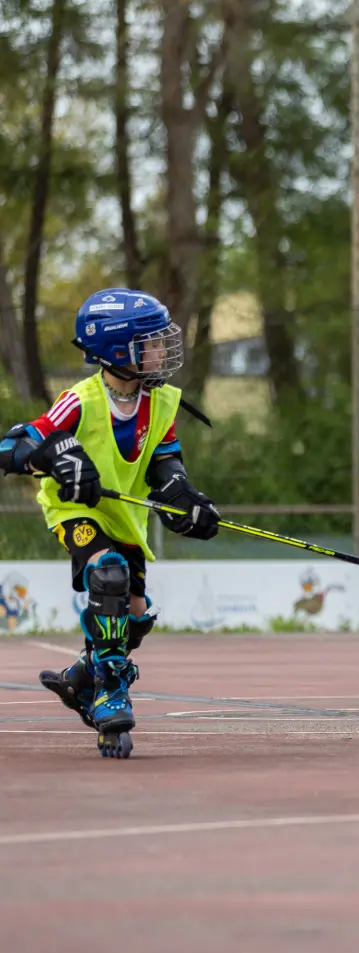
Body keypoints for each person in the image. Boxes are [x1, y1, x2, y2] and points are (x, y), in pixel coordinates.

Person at [0, 289, 220, 758]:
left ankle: (81, 677)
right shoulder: (80, 400)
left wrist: (183, 499)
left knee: (135, 615)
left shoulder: (158, 403)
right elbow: (16, 445)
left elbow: (166, 461)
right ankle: (109, 691)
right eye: (152, 342)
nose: (162, 350)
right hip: (74, 510)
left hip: (124, 515)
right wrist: (57, 453)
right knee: (108, 573)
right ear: (120, 351)